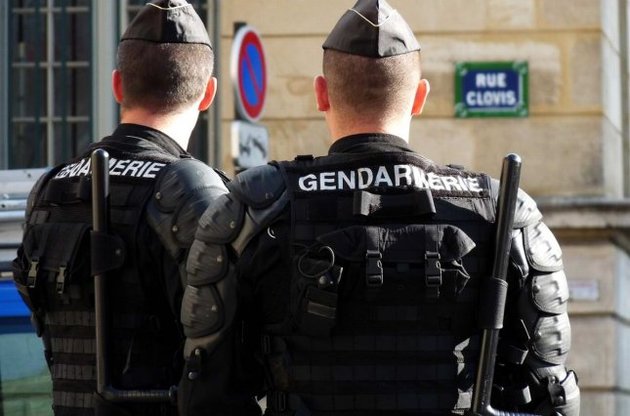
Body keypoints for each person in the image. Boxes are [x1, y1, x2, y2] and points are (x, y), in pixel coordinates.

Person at [178, 0, 580, 415]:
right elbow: (551, 394)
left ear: (321, 93)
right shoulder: (499, 211)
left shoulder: (259, 207)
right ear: (420, 97)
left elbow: (207, 389)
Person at [11, 1, 228, 415]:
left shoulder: (51, 187)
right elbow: (228, 343)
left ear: (117, 85)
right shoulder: (194, 191)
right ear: (208, 94)